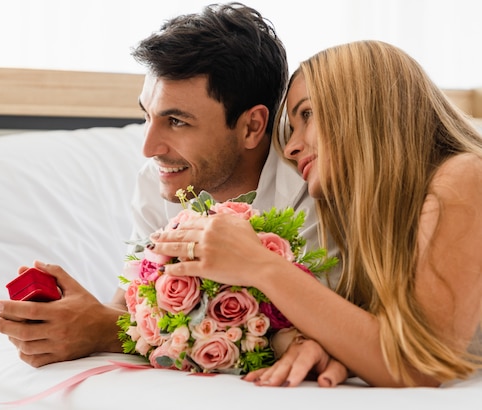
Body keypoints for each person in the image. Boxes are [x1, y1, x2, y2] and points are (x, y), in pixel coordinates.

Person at [0, 2, 338, 368]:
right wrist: (74, 318)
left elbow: (312, 331)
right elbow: (129, 307)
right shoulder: (163, 179)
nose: (148, 148)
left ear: (251, 126)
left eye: (176, 121)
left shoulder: (311, 187)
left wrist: (104, 331)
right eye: (147, 115)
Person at [150, 40, 482, 387]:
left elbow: (418, 366)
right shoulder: (372, 219)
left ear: (366, 108)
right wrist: (335, 352)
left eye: (306, 115)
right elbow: (391, 341)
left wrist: (261, 264)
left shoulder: (464, 176)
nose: (292, 148)